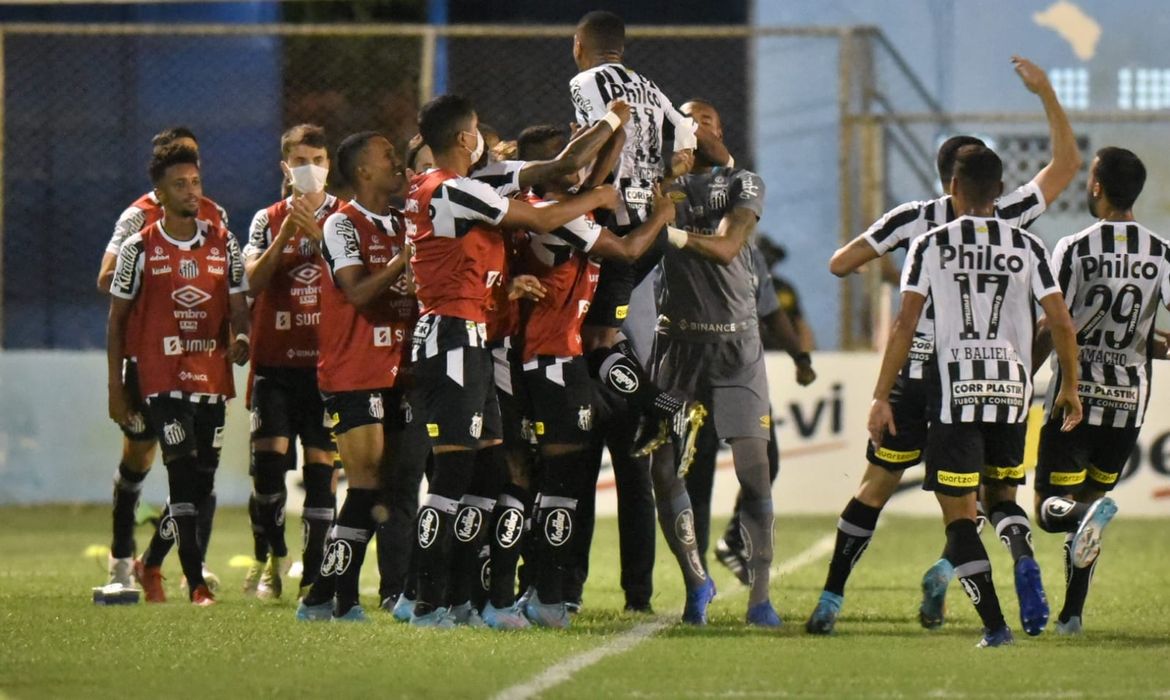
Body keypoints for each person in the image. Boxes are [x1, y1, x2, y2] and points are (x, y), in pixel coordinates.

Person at [808, 56, 1081, 635]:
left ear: (944, 180)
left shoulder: (917, 222)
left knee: (878, 487)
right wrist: (1046, 93)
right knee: (989, 495)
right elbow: (1065, 167)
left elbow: (839, 264)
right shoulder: (1010, 216)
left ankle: (831, 598)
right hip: (992, 373)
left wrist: (891, 264)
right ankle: (960, 577)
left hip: (919, 372)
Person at [402, 94, 621, 627]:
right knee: (453, 475)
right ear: (461, 138)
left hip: (472, 336)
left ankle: (469, 601)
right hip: (450, 337)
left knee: (487, 472)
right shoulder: (449, 189)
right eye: (476, 129)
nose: (483, 139)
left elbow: (557, 177)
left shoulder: (457, 188)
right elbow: (535, 212)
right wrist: (603, 170)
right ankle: (422, 599)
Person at [868, 144, 1082, 647]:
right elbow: (1061, 321)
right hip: (1012, 389)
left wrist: (882, 394)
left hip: (955, 389)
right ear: (1001, 191)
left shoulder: (931, 244)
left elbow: (904, 324)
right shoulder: (1028, 246)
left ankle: (995, 627)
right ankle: (1025, 560)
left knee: (960, 518)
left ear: (953, 189)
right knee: (1003, 498)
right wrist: (1068, 386)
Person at [493, 124, 678, 628]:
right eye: (566, 159)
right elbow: (628, 250)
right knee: (551, 485)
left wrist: (613, 130)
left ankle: (540, 594)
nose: (578, 165)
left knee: (554, 484)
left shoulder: (564, 206)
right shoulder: (557, 222)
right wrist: (661, 215)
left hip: (554, 362)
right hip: (546, 363)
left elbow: (591, 180)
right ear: (549, 172)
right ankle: (534, 596)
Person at [651, 98, 812, 625]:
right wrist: (660, 185)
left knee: (756, 472)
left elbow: (726, 247)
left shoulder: (744, 183)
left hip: (736, 346)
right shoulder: (659, 183)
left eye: (706, 122)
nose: (695, 128)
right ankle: (697, 582)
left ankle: (760, 597)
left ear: (720, 133)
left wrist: (666, 229)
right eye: (686, 120)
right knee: (662, 469)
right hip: (677, 347)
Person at [570, 10, 715, 474]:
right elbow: (685, 127)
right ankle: (654, 411)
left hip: (617, 222)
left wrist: (584, 187)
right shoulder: (648, 84)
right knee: (608, 336)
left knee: (595, 342)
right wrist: (674, 163)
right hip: (649, 219)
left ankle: (671, 410)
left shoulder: (587, 82)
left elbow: (601, 140)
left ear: (579, 45)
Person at [1032, 147, 1170, 634]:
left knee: (1053, 510)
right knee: (1087, 516)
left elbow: (1056, 324)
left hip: (1076, 396)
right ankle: (1071, 615)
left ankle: (1089, 514)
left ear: (1096, 187)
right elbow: (1140, 325)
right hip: (1129, 402)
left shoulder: (1074, 247)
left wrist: (1023, 376)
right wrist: (1154, 344)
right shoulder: (1161, 251)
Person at [106, 143, 250, 605]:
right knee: (181, 472)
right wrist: (116, 386)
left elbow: (238, 304)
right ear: (159, 194)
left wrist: (241, 337)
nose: (192, 191)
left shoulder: (223, 239)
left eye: (195, 182)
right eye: (180, 185)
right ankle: (196, 583)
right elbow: (117, 319)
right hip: (161, 376)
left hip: (211, 376)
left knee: (200, 485)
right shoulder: (138, 246)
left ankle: (151, 562)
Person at [294, 132, 414, 622]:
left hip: (403, 371)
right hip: (354, 370)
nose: (398, 163)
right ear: (363, 171)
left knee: (386, 490)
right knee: (363, 486)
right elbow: (358, 292)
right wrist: (406, 258)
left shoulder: (408, 220)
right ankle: (334, 598)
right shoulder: (343, 224)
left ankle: (327, 595)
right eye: (388, 156)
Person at [241, 124, 342, 599]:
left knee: (322, 467)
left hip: (328, 365)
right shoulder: (266, 219)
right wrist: (286, 234)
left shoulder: (345, 216)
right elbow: (254, 282)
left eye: (318, 159)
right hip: (276, 365)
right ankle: (271, 559)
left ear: (329, 164)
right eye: (301, 161)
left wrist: (319, 235)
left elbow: (352, 281)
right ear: (286, 167)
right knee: (268, 466)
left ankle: (316, 572)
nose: (311, 169)